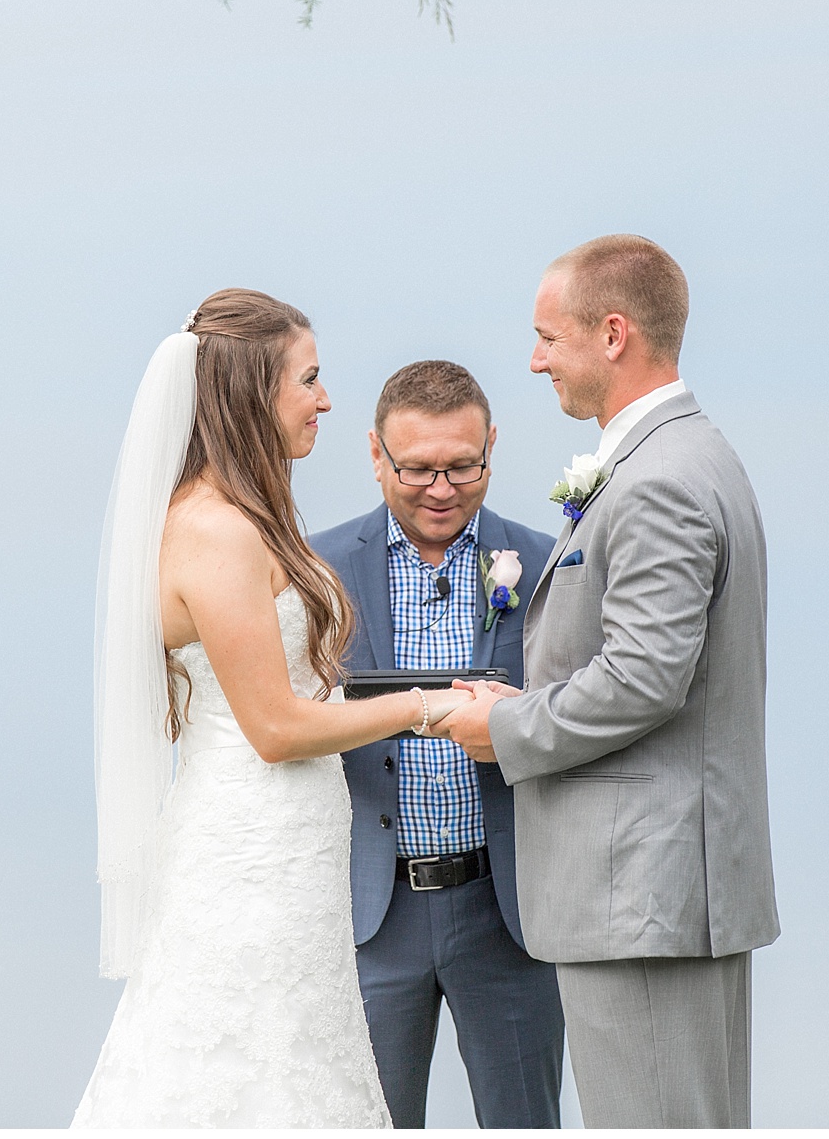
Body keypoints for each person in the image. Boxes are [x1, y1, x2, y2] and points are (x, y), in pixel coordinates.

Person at [73, 290, 471, 1127]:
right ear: (255, 389)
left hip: (296, 857)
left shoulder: (251, 516)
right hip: (247, 857)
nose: (326, 399)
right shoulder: (215, 531)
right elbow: (277, 727)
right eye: (310, 379)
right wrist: (426, 706)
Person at [437, 235, 779, 1128]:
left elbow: (645, 674)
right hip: (656, 888)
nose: (536, 357)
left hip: (644, 892)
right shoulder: (678, 456)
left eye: (550, 335)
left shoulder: (659, 478)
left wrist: (504, 729)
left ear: (615, 333)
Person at [309, 361, 563, 1128]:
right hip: (370, 912)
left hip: (509, 907)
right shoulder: (317, 567)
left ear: (492, 446)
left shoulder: (549, 561)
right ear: (376, 454)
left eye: (463, 466)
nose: (442, 488)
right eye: (418, 468)